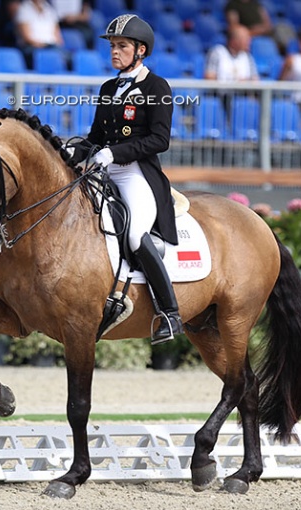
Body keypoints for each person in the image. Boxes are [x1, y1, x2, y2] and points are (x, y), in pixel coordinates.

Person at [80, 14, 183, 344]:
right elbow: (96, 135)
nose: (114, 52)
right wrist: (71, 151)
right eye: (112, 46)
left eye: (121, 46)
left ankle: (170, 313)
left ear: (140, 50)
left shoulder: (157, 87)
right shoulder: (108, 87)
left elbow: (160, 140)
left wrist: (115, 153)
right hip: (105, 170)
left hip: (136, 171)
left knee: (137, 234)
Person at [224, 0, 295, 55]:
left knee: (282, 27)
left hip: (264, 32)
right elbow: (234, 27)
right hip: (248, 34)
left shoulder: (256, 3)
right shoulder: (232, 5)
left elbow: (267, 22)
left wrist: (263, 29)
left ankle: (288, 52)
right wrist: (253, 31)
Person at [14, 0, 64, 68]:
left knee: (65, 56)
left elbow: (57, 35)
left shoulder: (50, 9)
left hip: (51, 46)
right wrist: (42, 45)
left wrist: (53, 44)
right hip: (32, 47)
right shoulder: (24, 9)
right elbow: (27, 37)